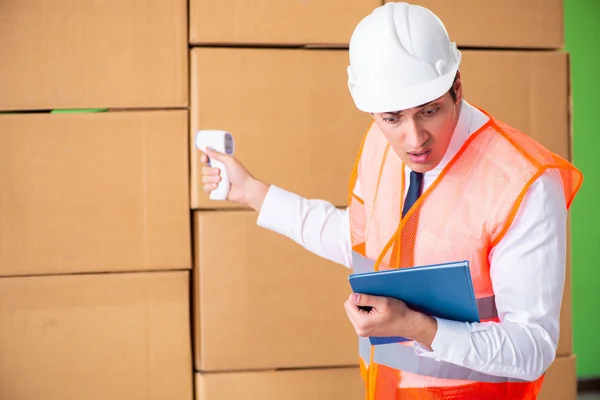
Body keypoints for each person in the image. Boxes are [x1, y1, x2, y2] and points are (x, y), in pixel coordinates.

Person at [200, 2, 583, 399]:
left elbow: (533, 347)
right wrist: (252, 193)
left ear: (457, 87)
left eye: (430, 111)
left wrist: (416, 326)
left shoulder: (522, 183)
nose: (414, 139)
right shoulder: (379, 148)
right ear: (372, 112)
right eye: (392, 118)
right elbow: (361, 242)